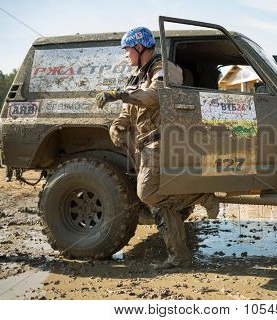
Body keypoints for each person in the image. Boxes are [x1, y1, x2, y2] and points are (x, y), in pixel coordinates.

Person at [95, 27, 219, 269]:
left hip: (162, 142)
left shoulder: (163, 68)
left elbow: (156, 95)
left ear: (140, 47)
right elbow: (128, 110)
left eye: (128, 50)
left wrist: (118, 94)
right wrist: (117, 126)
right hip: (145, 145)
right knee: (162, 203)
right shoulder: (137, 77)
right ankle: (179, 256)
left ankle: (203, 194)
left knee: (147, 193)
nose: (126, 55)